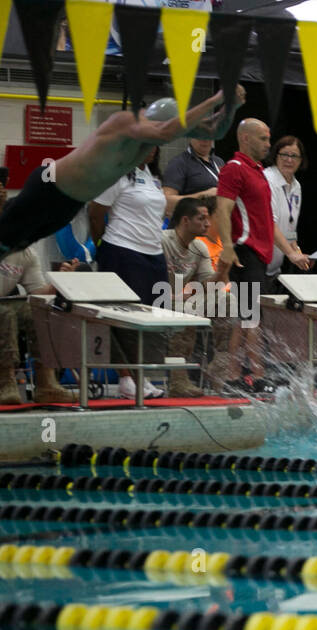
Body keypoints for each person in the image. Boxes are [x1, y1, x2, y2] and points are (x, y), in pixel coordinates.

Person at [0, 90, 241, 258]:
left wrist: (231, 105)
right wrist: (216, 99)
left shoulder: (153, 136)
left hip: (70, 201)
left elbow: (215, 131)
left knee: (16, 247)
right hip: (49, 185)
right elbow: (167, 132)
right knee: (4, 241)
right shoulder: (125, 122)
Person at [211, 118, 312, 392]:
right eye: (263, 139)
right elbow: (222, 209)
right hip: (245, 251)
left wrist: (291, 253)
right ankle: (257, 375)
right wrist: (228, 249)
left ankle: (233, 376)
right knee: (251, 316)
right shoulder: (234, 169)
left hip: (260, 254)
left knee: (246, 317)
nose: (268, 145)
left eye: (269, 139)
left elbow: (269, 221)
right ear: (245, 139)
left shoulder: (255, 171)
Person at [88, 147, 169, 400]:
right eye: (145, 144)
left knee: (150, 316)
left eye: (155, 145)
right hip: (122, 251)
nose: (151, 150)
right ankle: (125, 377)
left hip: (153, 254)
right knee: (123, 318)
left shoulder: (153, 178)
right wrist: (102, 246)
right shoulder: (117, 175)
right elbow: (96, 213)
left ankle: (140, 374)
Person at [160, 197, 231, 397]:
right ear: (185, 221)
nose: (208, 224)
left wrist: (221, 272)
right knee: (187, 310)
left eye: (207, 219)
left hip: (186, 300)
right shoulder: (163, 241)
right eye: (202, 219)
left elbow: (211, 286)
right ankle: (178, 380)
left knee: (229, 301)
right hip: (159, 298)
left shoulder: (200, 247)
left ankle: (220, 364)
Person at [0, 249, 74, 405]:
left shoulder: (26, 254)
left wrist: (60, 280)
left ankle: (46, 383)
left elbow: (39, 294)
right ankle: (5, 382)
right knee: (4, 313)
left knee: (40, 310)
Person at [265, 135, 308, 290]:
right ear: (276, 155)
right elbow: (270, 224)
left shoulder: (296, 186)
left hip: (274, 268)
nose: (289, 160)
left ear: (301, 160)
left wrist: (297, 252)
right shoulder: (268, 180)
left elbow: (290, 228)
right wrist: (291, 254)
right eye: (284, 154)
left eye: (294, 156)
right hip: (256, 264)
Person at [161, 136, 224, 218]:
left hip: (219, 224)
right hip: (193, 226)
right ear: (191, 136)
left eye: (209, 136)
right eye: (201, 136)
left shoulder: (219, 161)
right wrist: (204, 195)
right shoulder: (178, 163)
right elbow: (167, 203)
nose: (205, 140)